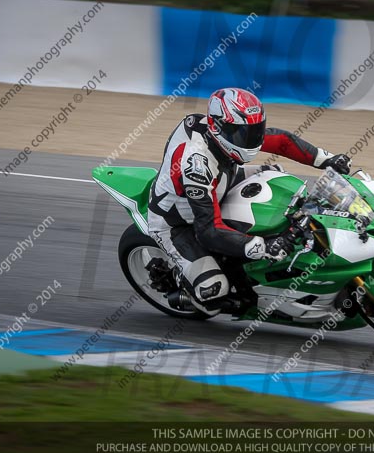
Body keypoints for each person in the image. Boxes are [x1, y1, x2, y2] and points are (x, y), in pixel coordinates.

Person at [148, 87, 351, 313]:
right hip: (177, 223)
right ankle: (182, 284)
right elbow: (208, 231)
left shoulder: (225, 133)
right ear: (218, 127)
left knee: (276, 174)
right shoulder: (196, 165)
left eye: (255, 130)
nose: (251, 138)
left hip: (222, 180)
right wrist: (263, 247)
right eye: (243, 133)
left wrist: (326, 159)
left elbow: (281, 140)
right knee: (213, 289)